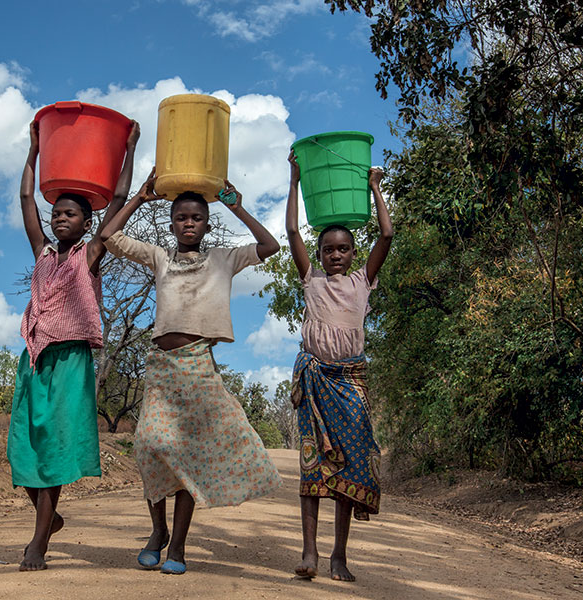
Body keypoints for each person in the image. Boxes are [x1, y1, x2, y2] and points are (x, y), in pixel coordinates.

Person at [100, 173, 282, 575]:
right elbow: (109, 235)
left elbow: (270, 245)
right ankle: (158, 531)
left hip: (198, 364)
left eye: (196, 218)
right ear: (170, 224)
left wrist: (236, 205)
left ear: (207, 223)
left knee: (187, 455)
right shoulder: (160, 257)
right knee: (149, 447)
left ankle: (178, 547)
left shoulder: (224, 259)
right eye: (180, 217)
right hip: (162, 368)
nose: (188, 223)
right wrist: (140, 198)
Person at [6, 116, 140, 571]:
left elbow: (119, 199)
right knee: (23, 448)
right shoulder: (42, 252)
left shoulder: (92, 253)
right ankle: (50, 518)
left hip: (71, 360)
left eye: (71, 214)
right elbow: (26, 195)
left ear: (87, 222)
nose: (61, 219)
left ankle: (37, 544)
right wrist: (34, 150)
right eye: (57, 214)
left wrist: (132, 153)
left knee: (57, 448)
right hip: (34, 358)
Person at [285, 151, 393, 581]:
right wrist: (294, 178)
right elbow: (292, 228)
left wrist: (374, 187)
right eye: (328, 249)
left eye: (343, 248)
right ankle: (309, 554)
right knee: (312, 468)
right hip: (315, 380)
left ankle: (339, 556)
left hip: (350, 382)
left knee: (350, 465)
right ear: (320, 253)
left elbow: (386, 235)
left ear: (352, 254)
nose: (335, 254)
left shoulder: (363, 280)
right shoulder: (310, 278)